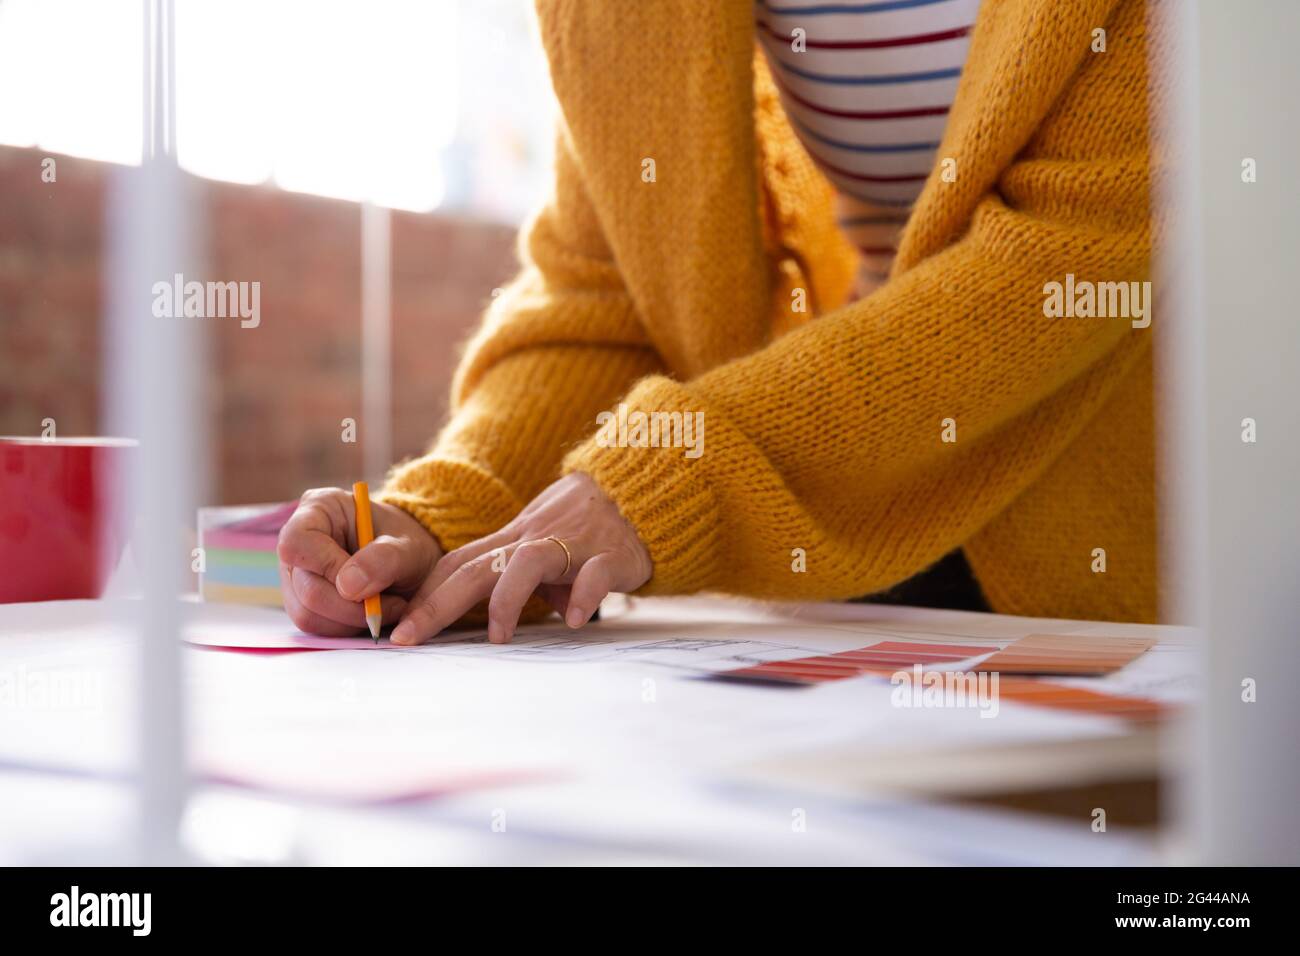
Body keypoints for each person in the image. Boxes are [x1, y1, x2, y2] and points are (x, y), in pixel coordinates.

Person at [277, 0, 1158, 645]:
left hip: (1145, 555)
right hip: (838, 546)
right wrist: (453, 516)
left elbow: (1067, 261)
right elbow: (606, 295)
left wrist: (665, 475)